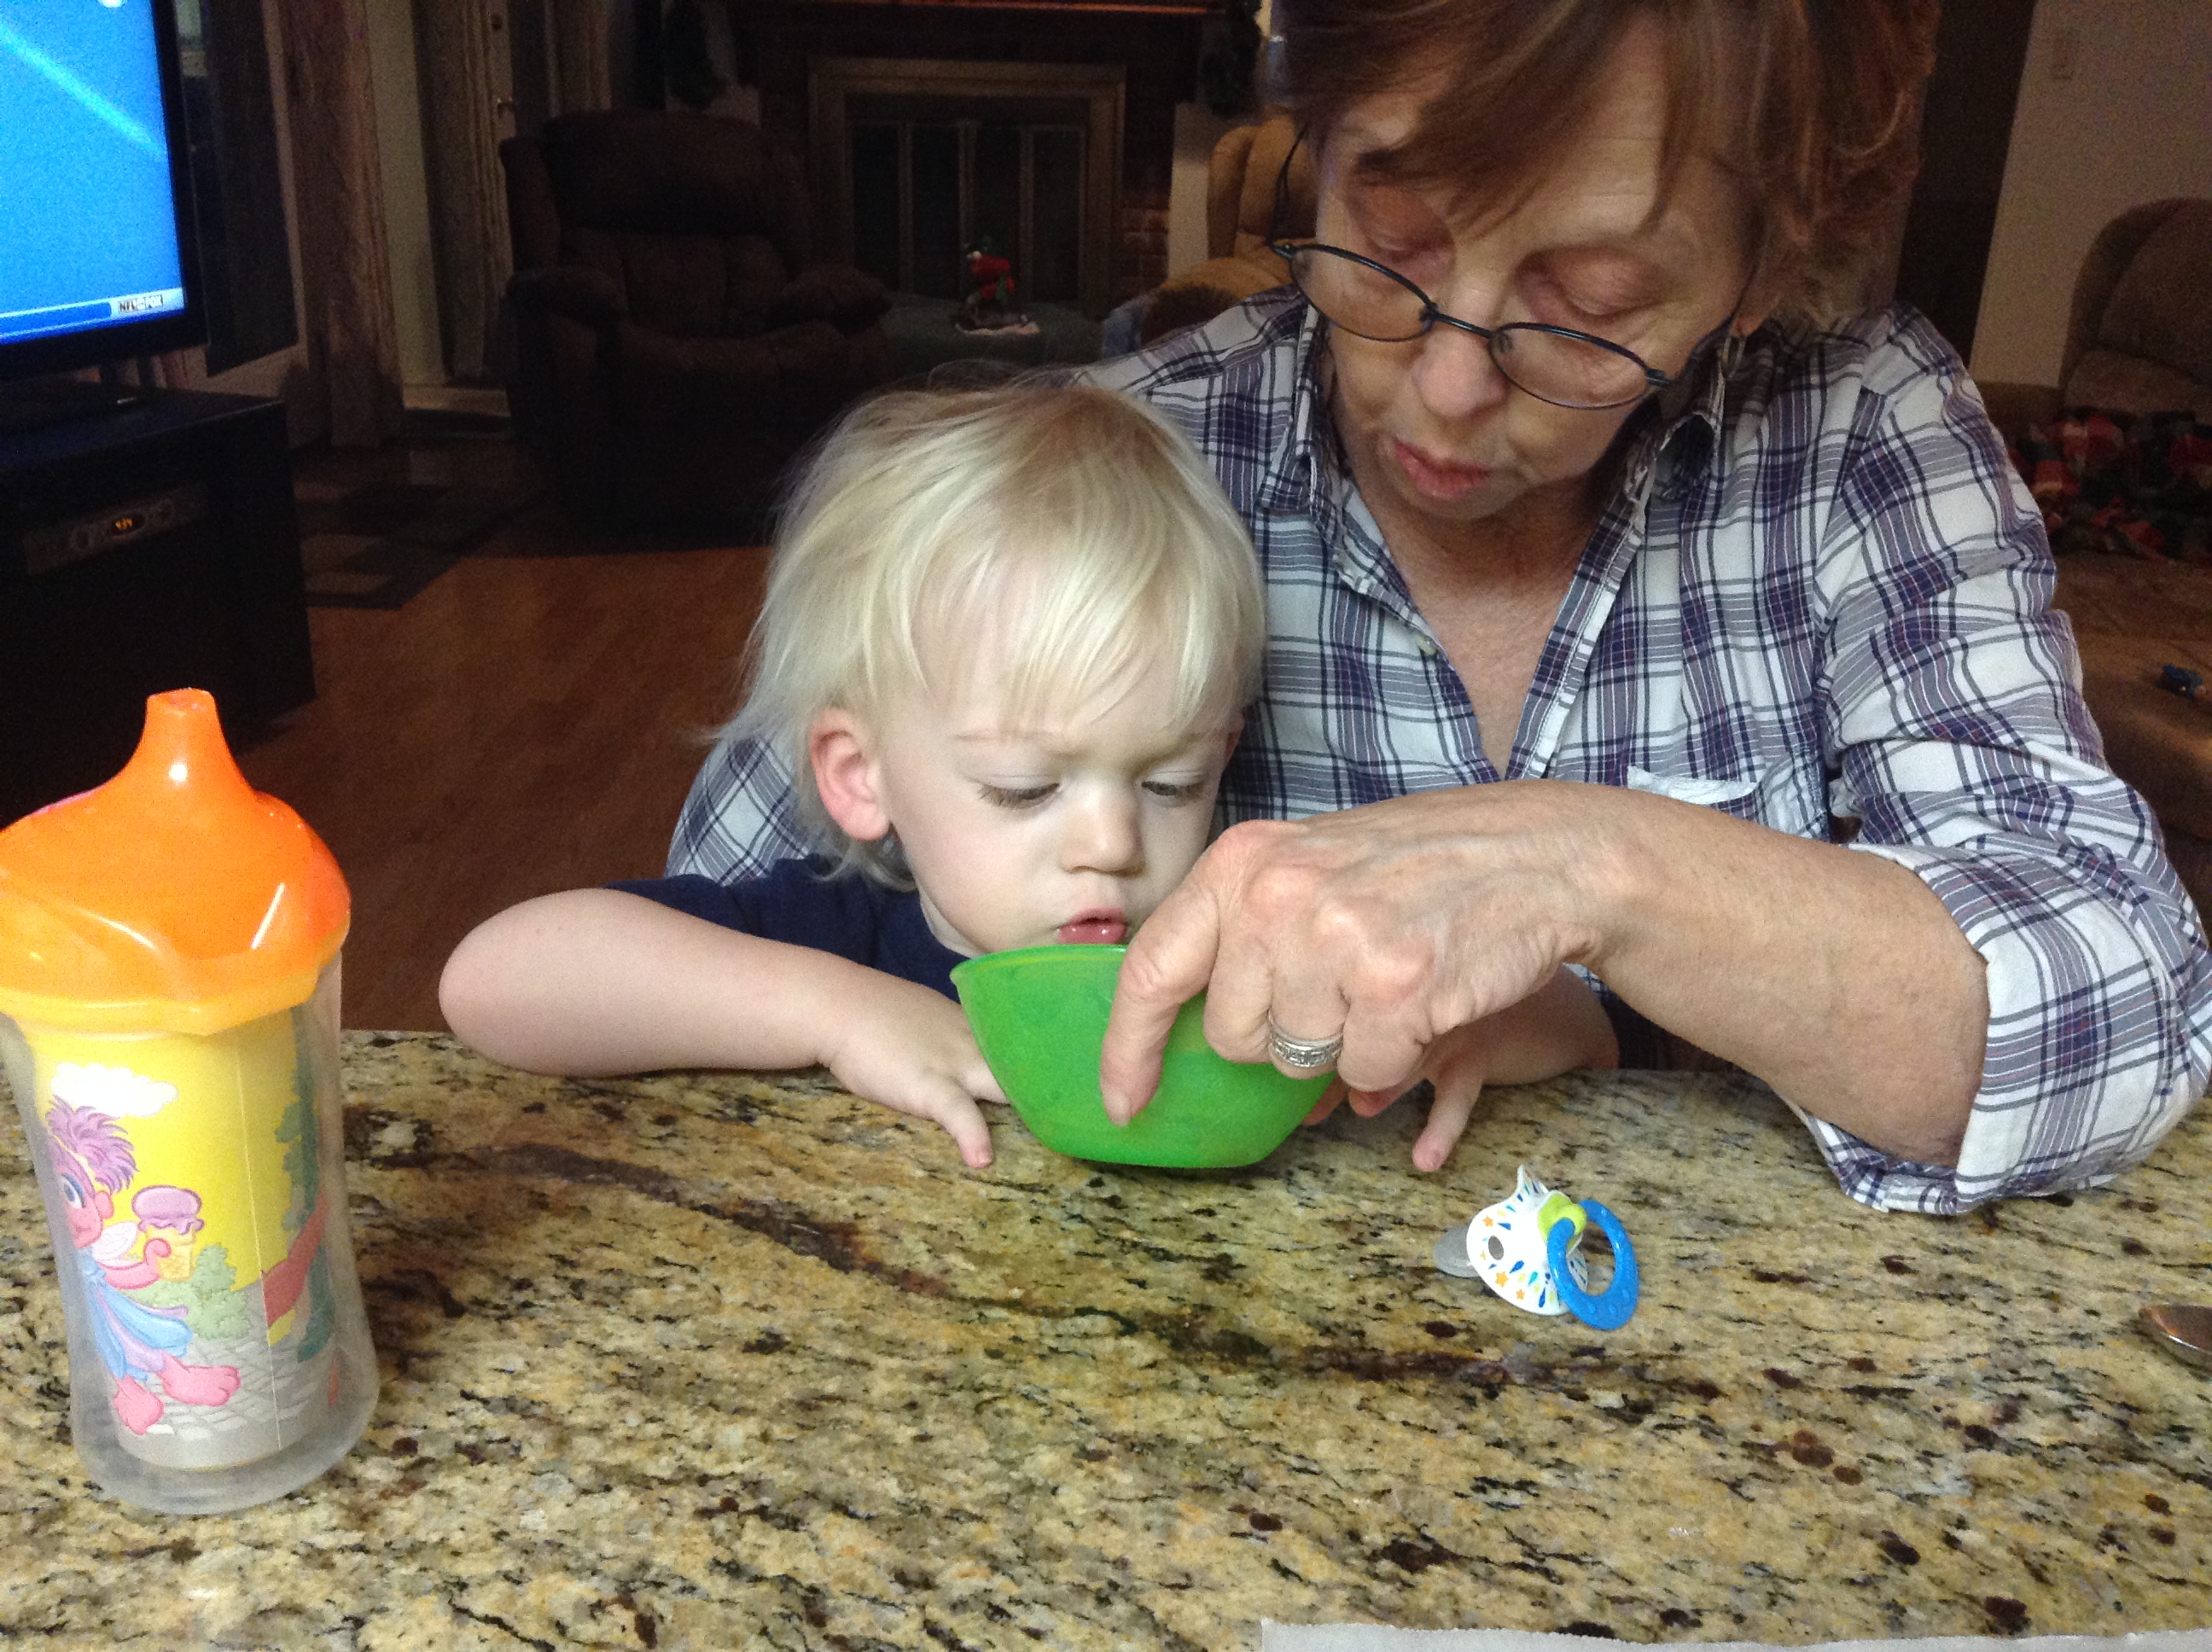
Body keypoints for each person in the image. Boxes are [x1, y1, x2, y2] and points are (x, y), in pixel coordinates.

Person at [666, 0, 2212, 1212]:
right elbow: (706, 988)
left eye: (1588, 307)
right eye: (1389, 241)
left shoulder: (1857, 434)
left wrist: (1598, 870)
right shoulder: (1111, 471)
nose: (1451, 387)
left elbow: (2124, 1009)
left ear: (1760, 270)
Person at [440, 383, 1278, 1167]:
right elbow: (492, 981)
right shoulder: (828, 933)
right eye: (1023, 787)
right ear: (860, 776)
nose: (1113, 844)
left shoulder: (1238, 961)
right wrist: (835, 1011)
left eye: (1172, 783)